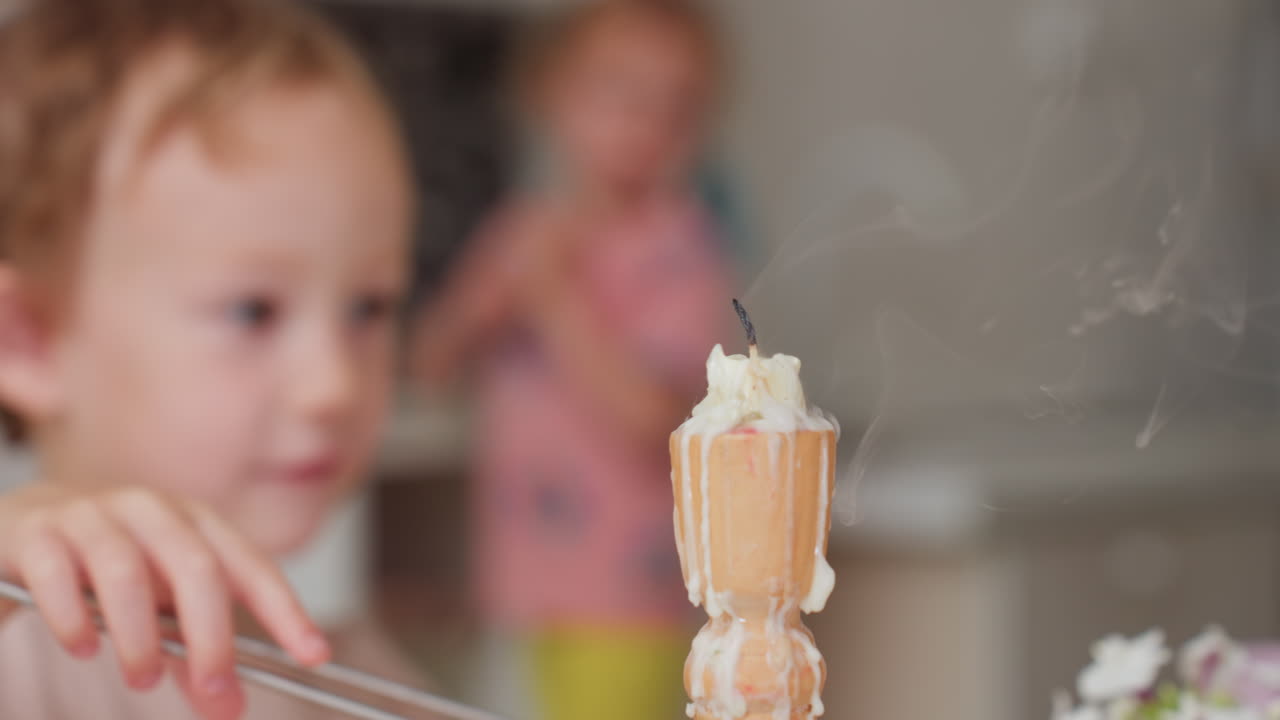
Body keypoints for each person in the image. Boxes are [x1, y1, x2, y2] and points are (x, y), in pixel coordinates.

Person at [0, 0, 427, 717]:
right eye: (251, 311)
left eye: (369, 307)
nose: (333, 385)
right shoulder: (21, 654)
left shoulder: (352, 670)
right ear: (30, 338)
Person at [413, 1, 735, 718]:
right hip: (516, 585)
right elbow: (430, 365)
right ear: (550, 95)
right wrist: (477, 310)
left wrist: (557, 299)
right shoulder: (525, 230)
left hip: (622, 597)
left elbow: (654, 418)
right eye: (618, 91)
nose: (642, 125)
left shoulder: (681, 253)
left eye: (674, 107)